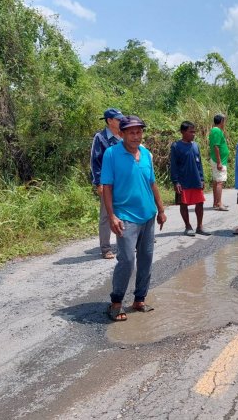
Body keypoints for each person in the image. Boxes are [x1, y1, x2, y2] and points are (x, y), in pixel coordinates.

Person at [101, 115, 167, 321]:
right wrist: (112, 216)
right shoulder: (111, 154)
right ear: (121, 134)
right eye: (131, 132)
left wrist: (161, 209)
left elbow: (152, 183)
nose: (136, 136)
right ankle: (116, 302)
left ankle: (139, 299)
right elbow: (107, 187)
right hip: (125, 216)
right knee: (127, 260)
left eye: (139, 132)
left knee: (146, 259)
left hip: (148, 215)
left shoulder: (146, 153)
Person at [90, 108, 124, 259]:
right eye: (118, 119)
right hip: (107, 183)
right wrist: (99, 183)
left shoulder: (123, 136)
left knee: (124, 212)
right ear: (109, 121)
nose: (121, 121)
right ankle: (105, 248)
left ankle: (125, 244)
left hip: (123, 182)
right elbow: (95, 162)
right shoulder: (100, 138)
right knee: (106, 215)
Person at [170, 121, 210, 237]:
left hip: (196, 179)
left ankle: (200, 226)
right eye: (190, 132)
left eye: (194, 132)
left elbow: (199, 164)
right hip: (183, 181)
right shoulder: (176, 146)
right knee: (184, 204)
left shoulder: (195, 145)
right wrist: (176, 181)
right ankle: (188, 226)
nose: (193, 134)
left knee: (200, 203)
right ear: (183, 132)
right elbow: (174, 165)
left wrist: (202, 178)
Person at [209, 114, 229, 211]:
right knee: (219, 182)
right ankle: (219, 204)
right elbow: (216, 147)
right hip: (219, 160)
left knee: (216, 181)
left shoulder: (216, 130)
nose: (224, 123)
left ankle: (215, 203)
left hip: (217, 160)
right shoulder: (216, 130)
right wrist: (219, 162)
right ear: (221, 121)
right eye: (224, 121)